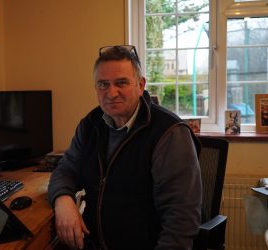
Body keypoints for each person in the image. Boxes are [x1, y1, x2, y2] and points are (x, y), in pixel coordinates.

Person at [48, 45, 202, 249]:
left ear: (140, 85)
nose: (111, 93)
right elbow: (66, 169)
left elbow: (181, 218)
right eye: (103, 84)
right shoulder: (90, 125)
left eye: (121, 83)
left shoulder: (169, 133)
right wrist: (63, 201)